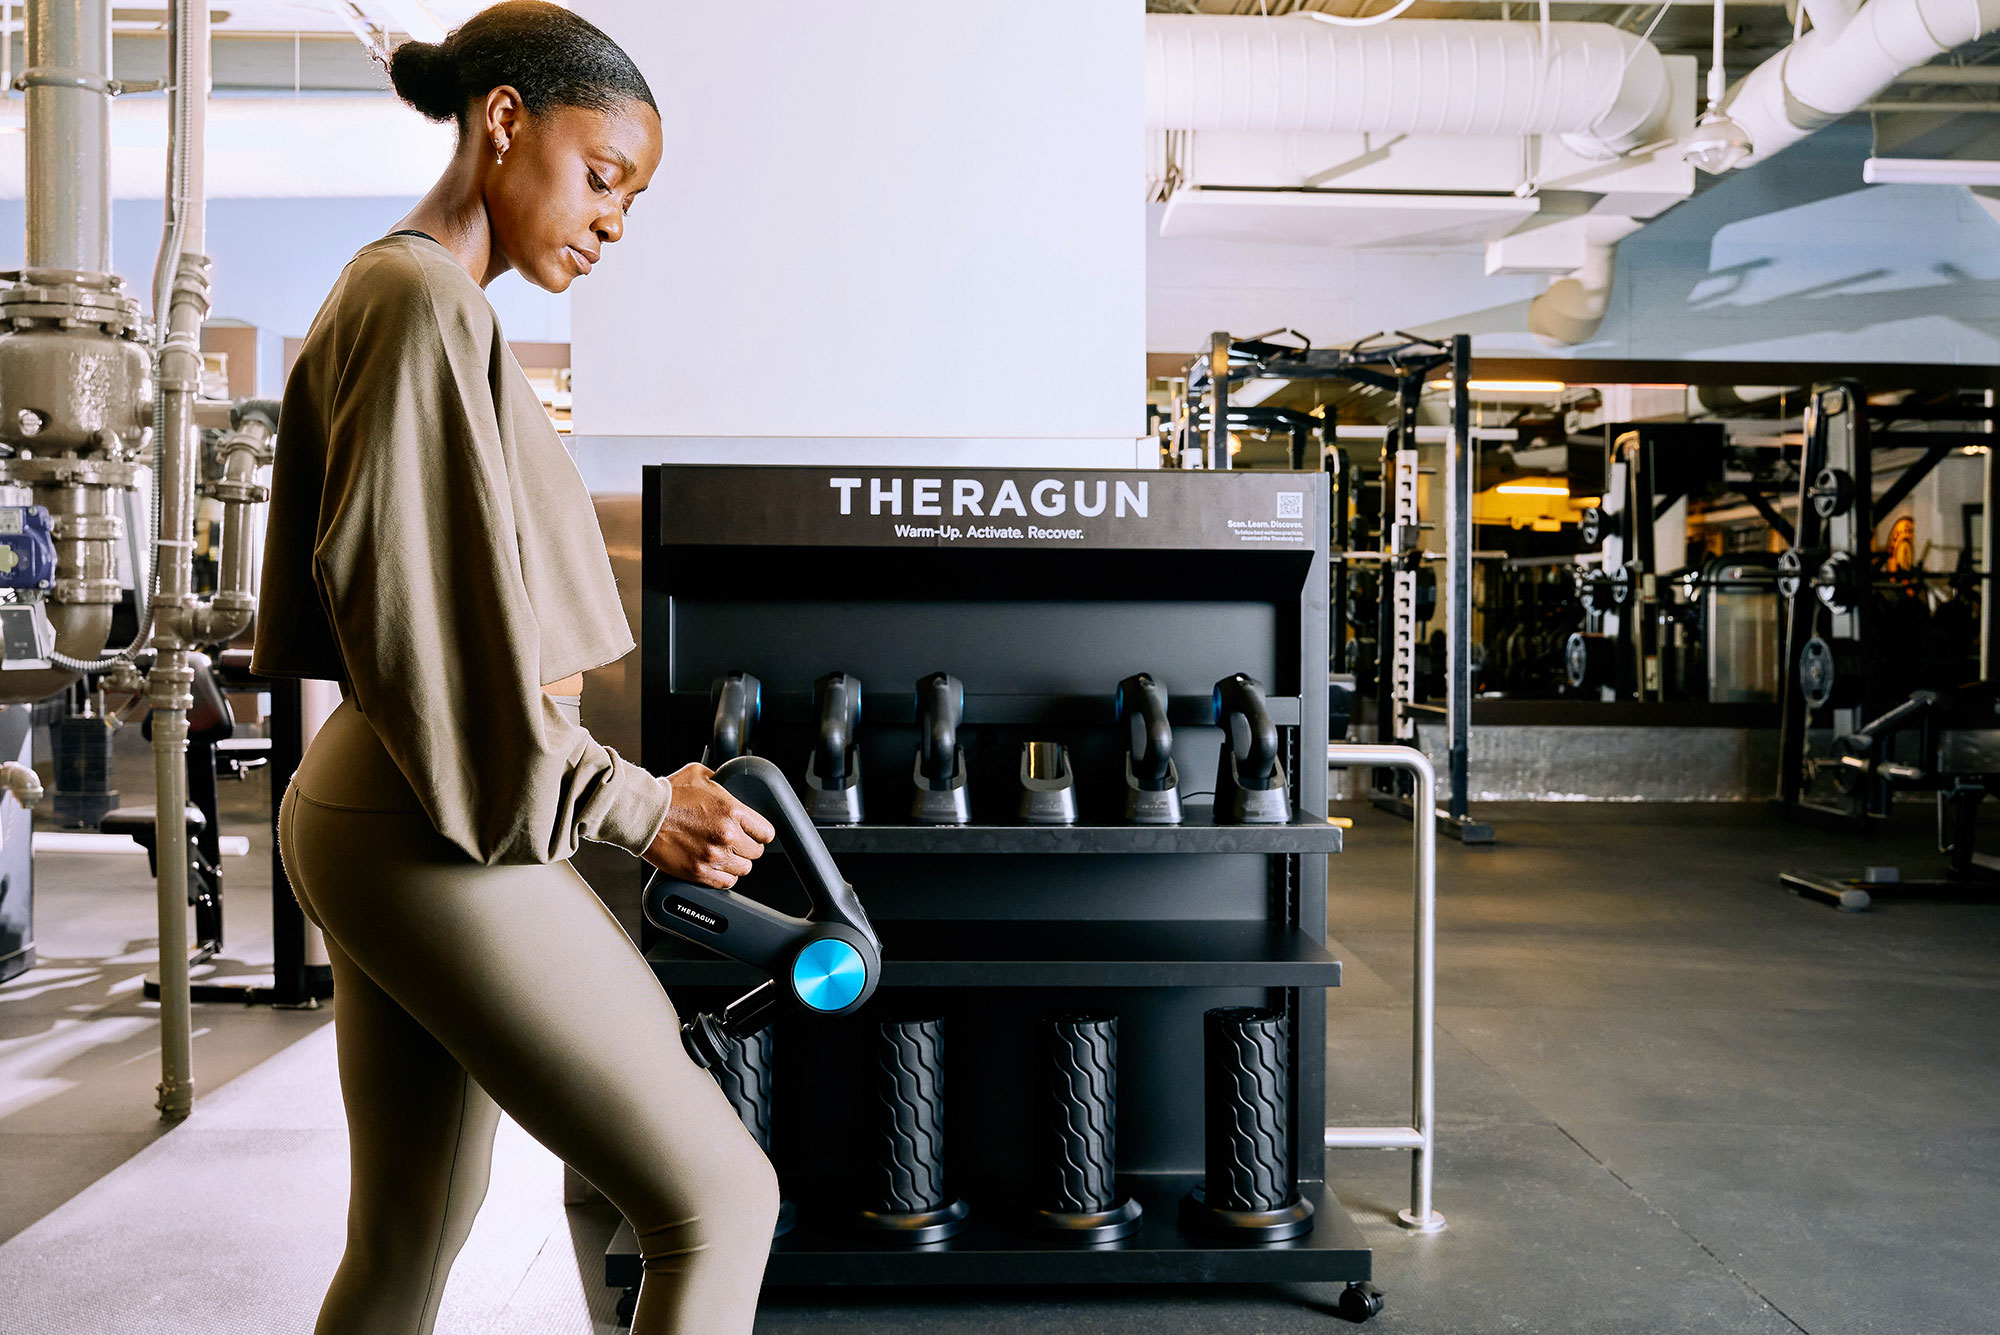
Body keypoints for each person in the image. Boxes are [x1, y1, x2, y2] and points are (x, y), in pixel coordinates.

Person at [253, 5, 781, 1331]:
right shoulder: (419, 299)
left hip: (404, 809)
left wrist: (623, 790)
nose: (613, 221)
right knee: (722, 1204)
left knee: (412, 1232)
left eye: (633, 200)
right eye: (603, 177)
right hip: (433, 824)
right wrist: (641, 807)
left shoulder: (416, 299)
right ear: (504, 122)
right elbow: (444, 658)